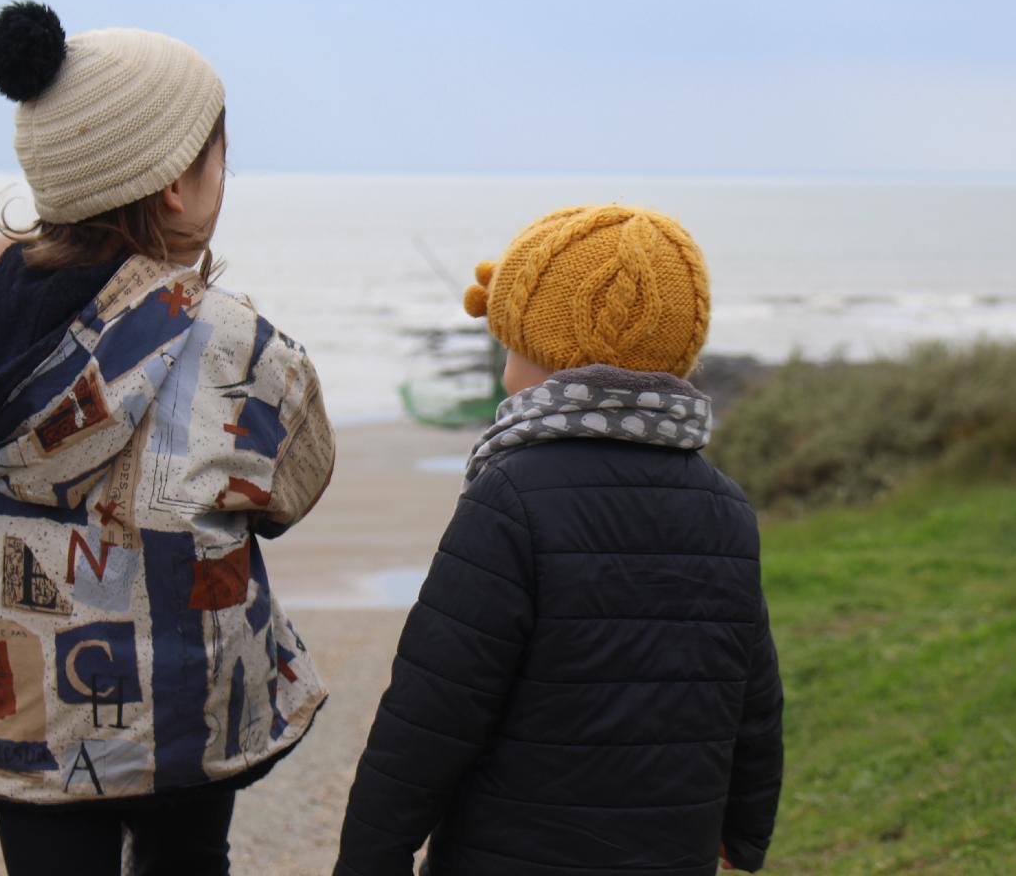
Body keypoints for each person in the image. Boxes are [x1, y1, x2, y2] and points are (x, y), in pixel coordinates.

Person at [0, 0, 336, 875]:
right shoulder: (234, 342)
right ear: (176, 184)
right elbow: (295, 482)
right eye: (219, 161)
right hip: (183, 718)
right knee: (187, 862)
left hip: (21, 713)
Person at [334, 206, 784, 876]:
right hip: (669, 853)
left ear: (546, 356)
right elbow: (753, 692)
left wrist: (373, 854)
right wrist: (745, 827)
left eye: (510, 343)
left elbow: (435, 703)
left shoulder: (512, 494)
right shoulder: (724, 505)